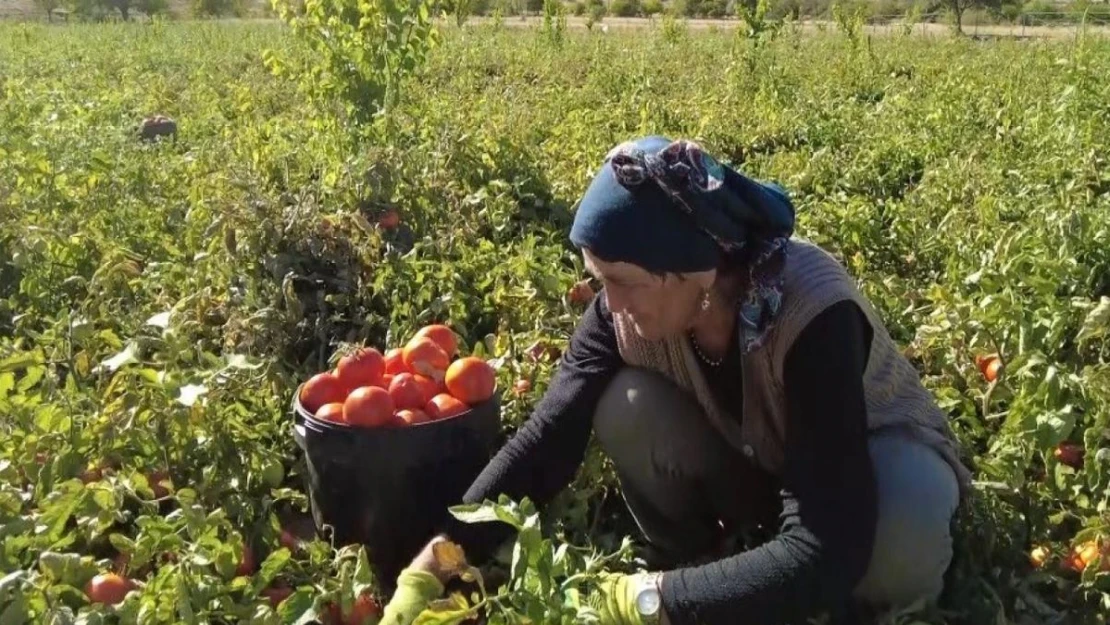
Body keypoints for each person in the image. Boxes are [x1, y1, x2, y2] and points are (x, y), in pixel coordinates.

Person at [377, 136, 973, 625]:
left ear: (698, 271)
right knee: (623, 403)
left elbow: (826, 548)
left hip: (862, 460)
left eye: (624, 280)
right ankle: (721, 558)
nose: (607, 301)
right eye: (597, 278)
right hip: (763, 462)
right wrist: (440, 561)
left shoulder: (811, 313)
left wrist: (647, 601)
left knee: (895, 542)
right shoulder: (623, 311)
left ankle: (792, 579)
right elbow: (547, 438)